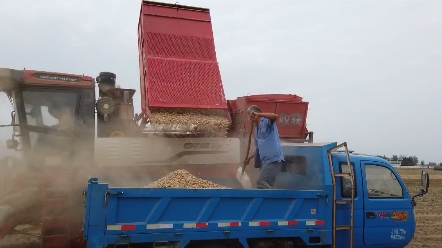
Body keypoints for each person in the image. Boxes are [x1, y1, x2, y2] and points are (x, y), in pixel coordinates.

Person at [243, 105, 285, 189]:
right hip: (264, 161)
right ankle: (270, 200)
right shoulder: (256, 129)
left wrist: (260, 115)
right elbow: (259, 147)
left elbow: (275, 116)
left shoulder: (266, 121)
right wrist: (249, 158)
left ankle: (276, 200)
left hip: (273, 159)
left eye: (250, 114)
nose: (249, 117)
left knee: (261, 182)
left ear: (255, 113)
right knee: (264, 185)